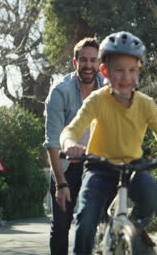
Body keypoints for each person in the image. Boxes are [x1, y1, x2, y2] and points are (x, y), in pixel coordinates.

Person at [60, 31, 157, 255]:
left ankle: (135, 226)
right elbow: (71, 129)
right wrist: (69, 143)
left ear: (139, 71)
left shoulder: (146, 104)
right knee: (86, 214)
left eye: (132, 70)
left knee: (152, 194)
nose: (126, 77)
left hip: (133, 165)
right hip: (99, 167)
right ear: (105, 71)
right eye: (119, 70)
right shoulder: (97, 99)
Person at [43, 37, 104, 255]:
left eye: (93, 60)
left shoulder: (108, 90)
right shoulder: (60, 92)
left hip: (96, 166)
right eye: (84, 60)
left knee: (92, 226)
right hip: (65, 168)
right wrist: (61, 184)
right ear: (74, 62)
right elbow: (52, 141)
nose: (88, 65)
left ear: (99, 64)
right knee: (60, 227)